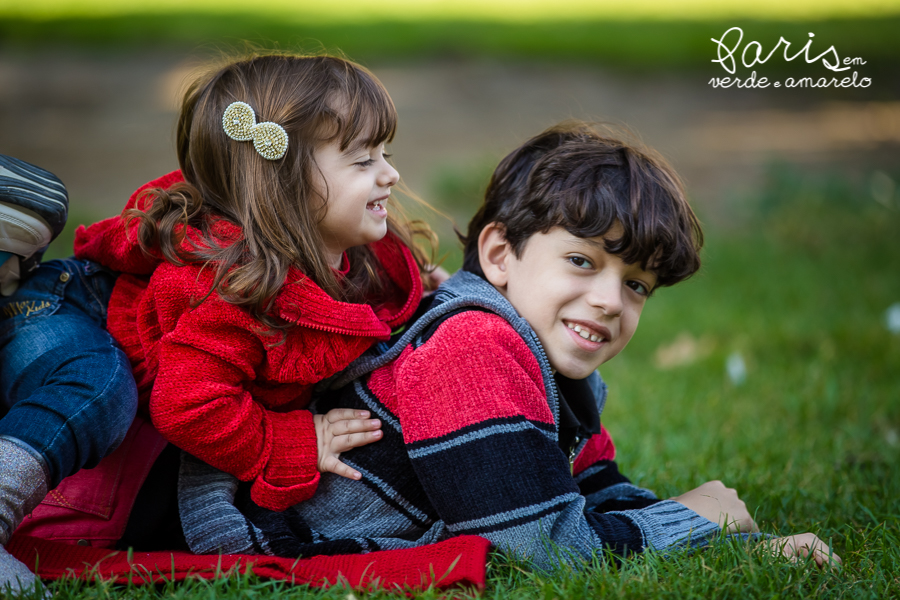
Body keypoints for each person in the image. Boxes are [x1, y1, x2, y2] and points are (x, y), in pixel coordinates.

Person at [180, 121, 841, 570]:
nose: (612, 301)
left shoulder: (556, 369)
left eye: (637, 285)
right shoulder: (475, 347)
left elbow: (590, 486)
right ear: (498, 253)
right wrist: (699, 520)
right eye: (582, 263)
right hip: (239, 527)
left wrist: (740, 538)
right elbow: (543, 548)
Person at [0, 51, 438, 589]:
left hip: (95, 309)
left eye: (384, 153)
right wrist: (293, 441)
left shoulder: (339, 248)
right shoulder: (230, 290)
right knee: (98, 391)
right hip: (69, 305)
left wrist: (427, 282)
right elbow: (188, 406)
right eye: (363, 161)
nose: (391, 174)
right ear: (283, 183)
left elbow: (381, 285)